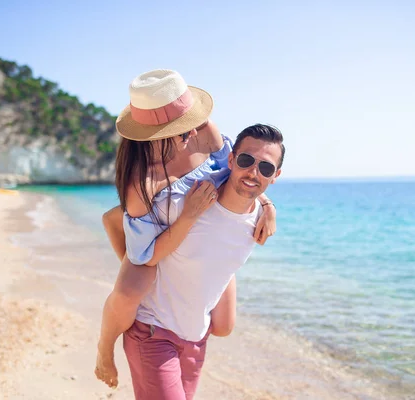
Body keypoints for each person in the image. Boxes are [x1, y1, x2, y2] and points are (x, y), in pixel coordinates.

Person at [94, 70, 277, 388]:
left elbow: (242, 168)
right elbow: (147, 255)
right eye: (177, 128)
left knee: (223, 326)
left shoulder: (204, 131)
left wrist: (266, 204)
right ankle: (104, 350)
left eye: (189, 120)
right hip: (152, 238)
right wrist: (189, 215)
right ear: (150, 134)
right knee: (130, 291)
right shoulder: (144, 182)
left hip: (192, 238)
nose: (190, 131)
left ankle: (121, 219)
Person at [124, 123, 284, 399]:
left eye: (265, 168)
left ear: (276, 176)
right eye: (246, 160)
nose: (253, 172)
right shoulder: (187, 201)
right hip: (153, 334)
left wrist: (268, 206)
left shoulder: (259, 218)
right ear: (231, 159)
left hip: (196, 340)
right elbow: (140, 251)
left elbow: (222, 262)